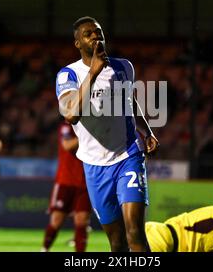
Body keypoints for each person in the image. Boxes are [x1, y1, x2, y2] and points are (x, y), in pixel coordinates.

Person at [56, 16, 159, 252]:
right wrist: (93, 73)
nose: (95, 37)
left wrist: (147, 130)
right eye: (88, 34)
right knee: (117, 242)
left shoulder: (124, 67)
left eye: (98, 32)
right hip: (94, 165)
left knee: (135, 233)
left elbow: (129, 102)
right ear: (78, 44)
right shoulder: (68, 75)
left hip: (128, 155)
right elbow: (71, 115)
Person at [41, 121, 91, 252]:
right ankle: (44, 249)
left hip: (85, 182)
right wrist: (87, 136)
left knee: (82, 221)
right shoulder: (66, 126)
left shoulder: (91, 125)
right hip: (65, 181)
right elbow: (67, 145)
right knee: (56, 220)